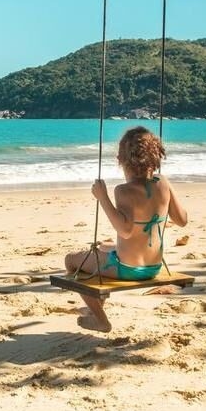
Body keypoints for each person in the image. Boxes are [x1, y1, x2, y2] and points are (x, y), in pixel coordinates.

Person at [64, 126, 188, 333]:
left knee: (71, 261)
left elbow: (125, 231)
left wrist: (102, 197)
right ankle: (95, 307)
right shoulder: (163, 182)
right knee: (104, 248)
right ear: (156, 156)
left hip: (127, 270)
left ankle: (100, 318)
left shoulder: (123, 191)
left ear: (120, 159)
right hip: (154, 266)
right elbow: (182, 220)